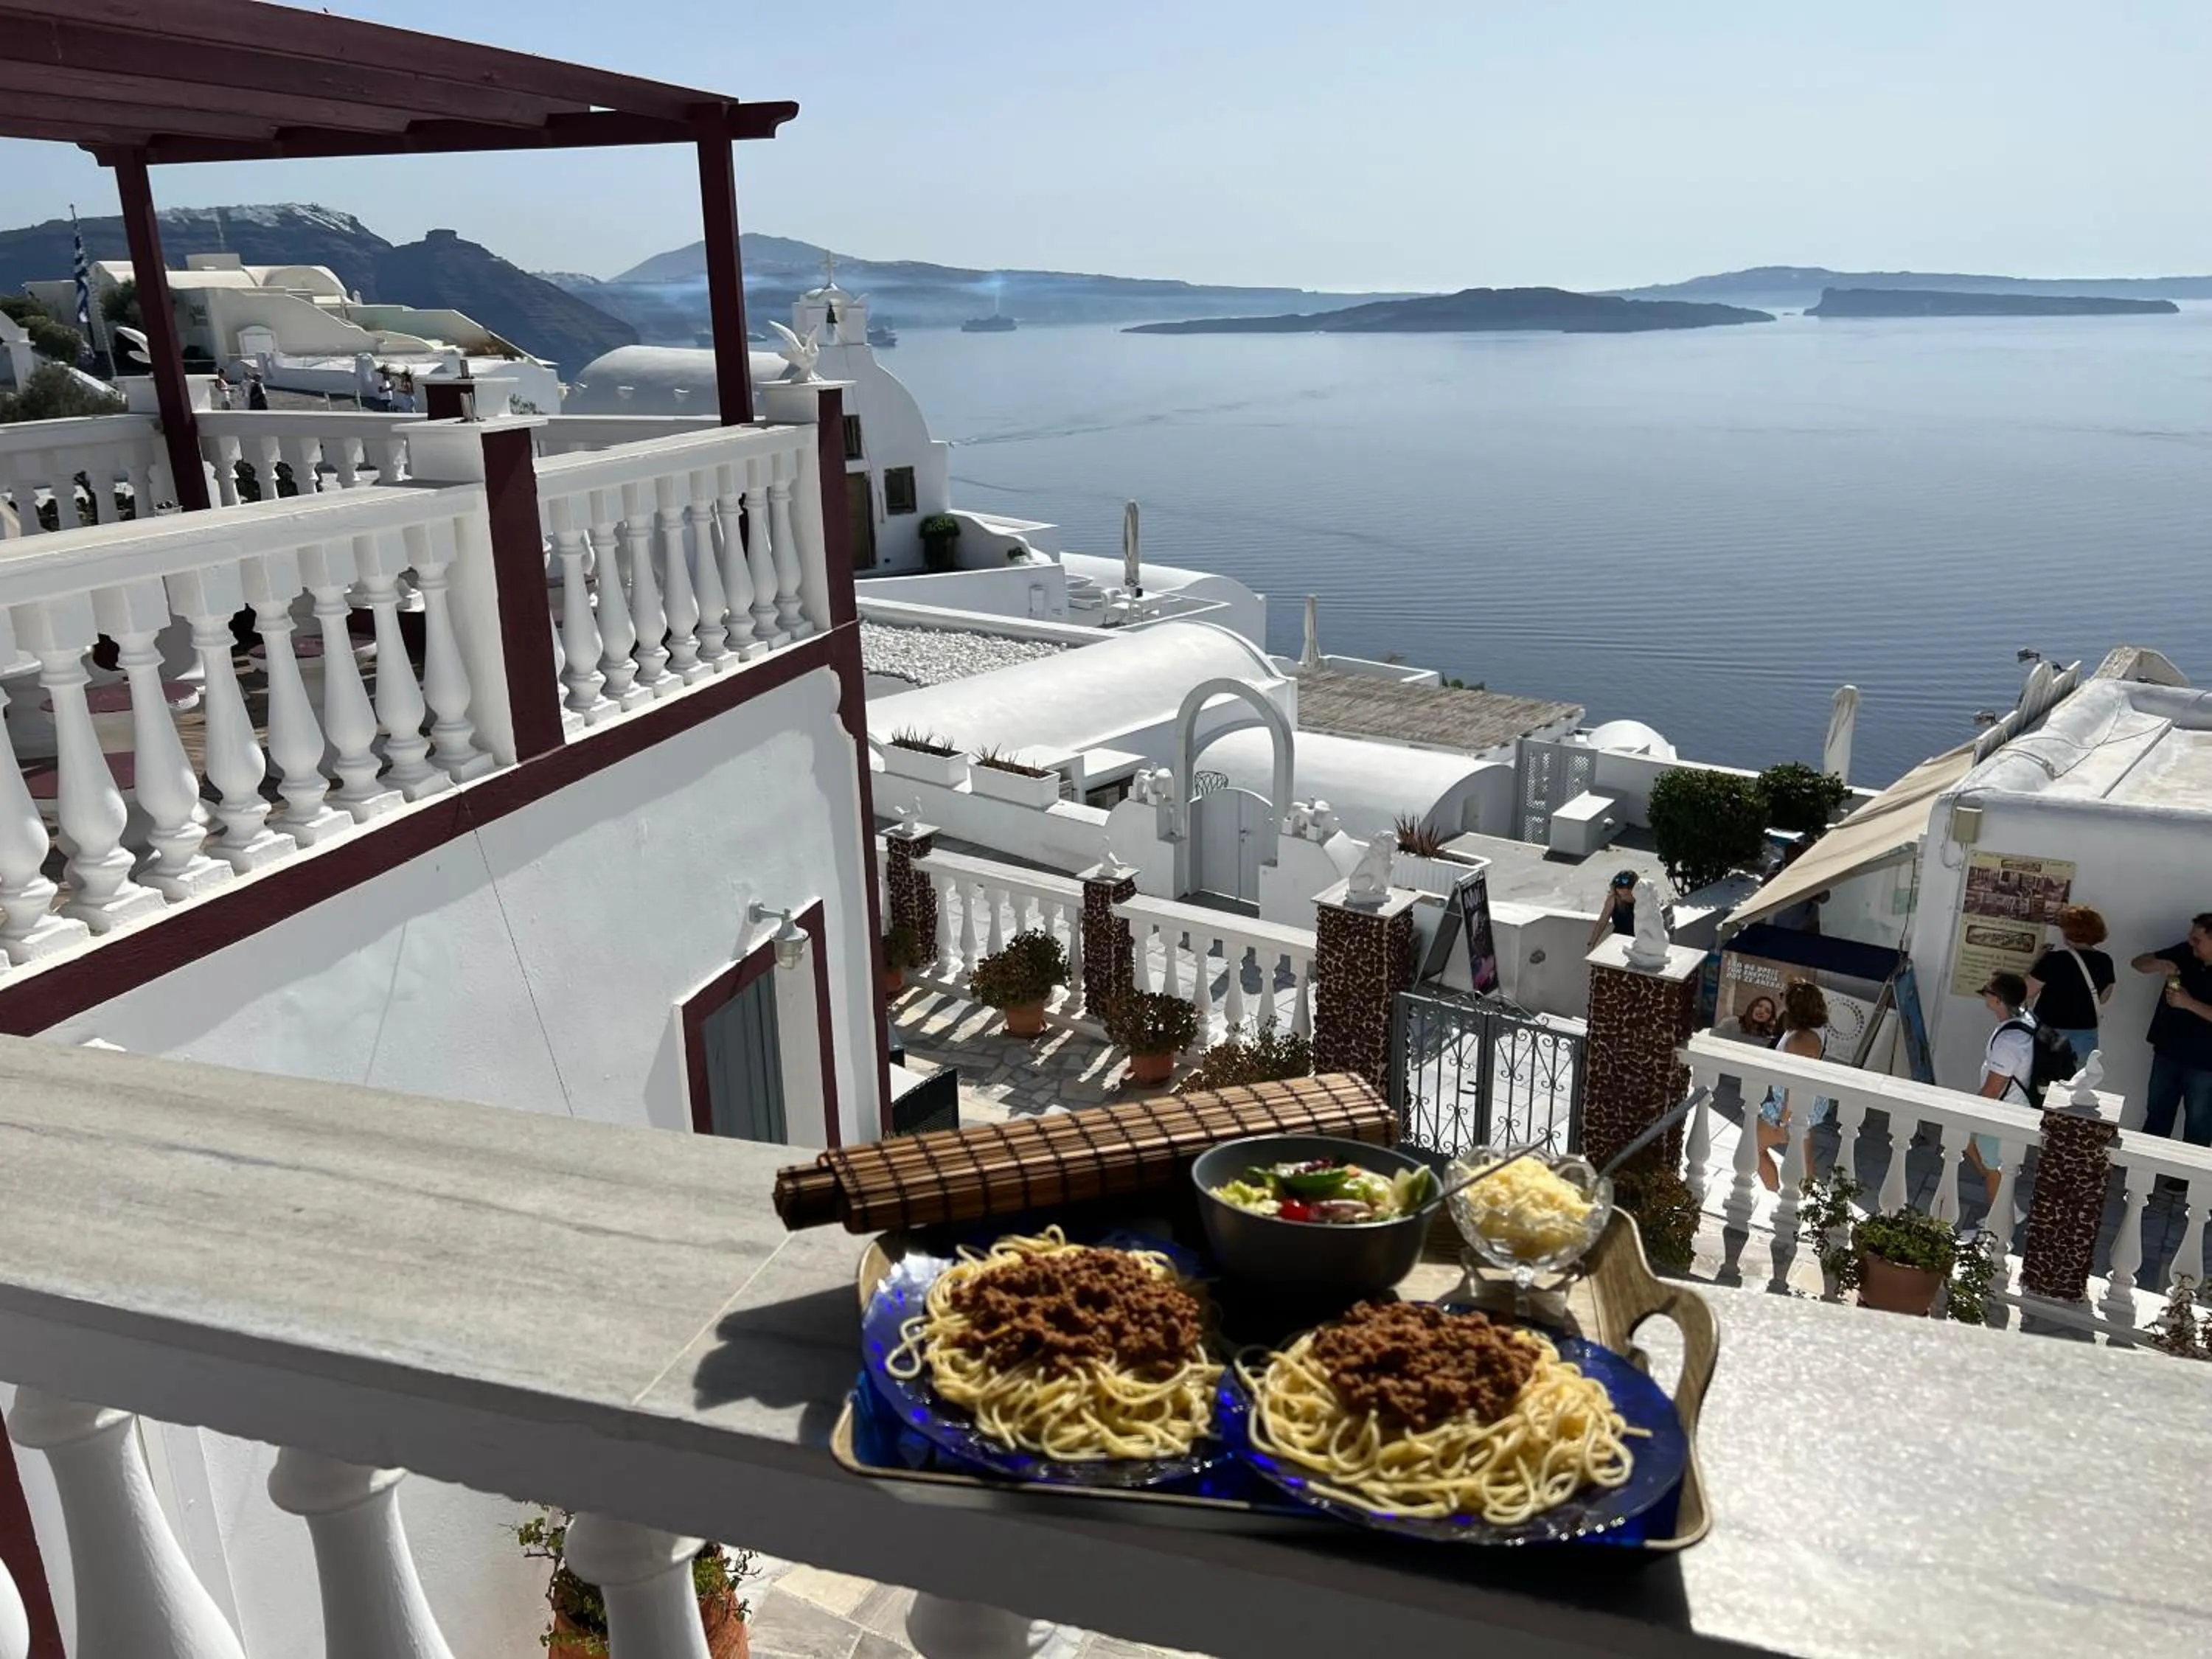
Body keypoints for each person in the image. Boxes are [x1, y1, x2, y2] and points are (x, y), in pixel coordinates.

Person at [2129, 914, 2212, 1146]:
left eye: (2197, 939)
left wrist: (2189, 1004)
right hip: (2168, 1052)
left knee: (2199, 1123)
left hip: (2206, 1064)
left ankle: (2186, 1181)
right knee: (2157, 1114)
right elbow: (2137, 963)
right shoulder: (2185, 952)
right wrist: (2158, 964)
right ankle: (2143, 1171)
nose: (2190, 942)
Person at [1967, 973, 2039, 1203]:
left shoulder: (2009, 1042)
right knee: (1984, 1157)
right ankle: (2006, 1211)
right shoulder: (2027, 1019)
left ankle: (1994, 1227)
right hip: (2017, 1107)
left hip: (2003, 1112)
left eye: (1987, 992)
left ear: (1998, 1000)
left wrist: (1973, 1115)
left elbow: (1993, 1089)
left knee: (1993, 1170)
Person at [1755, 981, 1833, 1191]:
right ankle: (1807, 1208)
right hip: (1808, 1104)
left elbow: (1795, 1084)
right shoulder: (1816, 1030)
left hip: (1791, 1107)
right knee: (1805, 1163)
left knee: (1753, 1149)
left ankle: (1774, 1195)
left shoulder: (1801, 1040)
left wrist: (1782, 1120)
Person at [2026, 904, 2115, 1068]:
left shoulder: (2054, 960)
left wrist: (2037, 962)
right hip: (2085, 1034)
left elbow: (2027, 992)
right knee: (2075, 1086)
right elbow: (2103, 998)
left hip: (2049, 1032)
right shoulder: (2105, 961)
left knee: (2042, 1084)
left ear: (2069, 932)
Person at [1587, 870, 1641, 947]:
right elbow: (1601, 923)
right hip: (1618, 942)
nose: (1622, 898)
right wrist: (1591, 944)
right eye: (1620, 895)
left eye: (1626, 895)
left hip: (1638, 944)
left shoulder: (1644, 901)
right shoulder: (1614, 899)